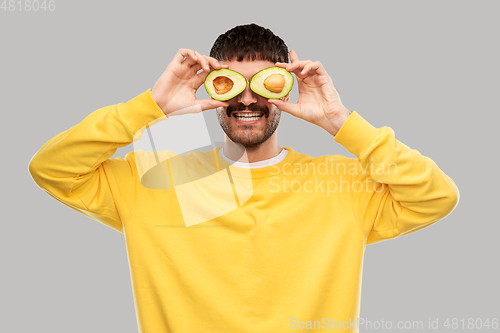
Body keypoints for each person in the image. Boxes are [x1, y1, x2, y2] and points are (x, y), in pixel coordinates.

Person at [29, 23, 459, 332]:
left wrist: (339, 121)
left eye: (263, 84)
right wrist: (151, 106)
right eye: (230, 84)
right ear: (212, 88)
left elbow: (436, 197)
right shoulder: (151, 180)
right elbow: (51, 168)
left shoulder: (343, 185)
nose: (247, 99)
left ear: (284, 91)